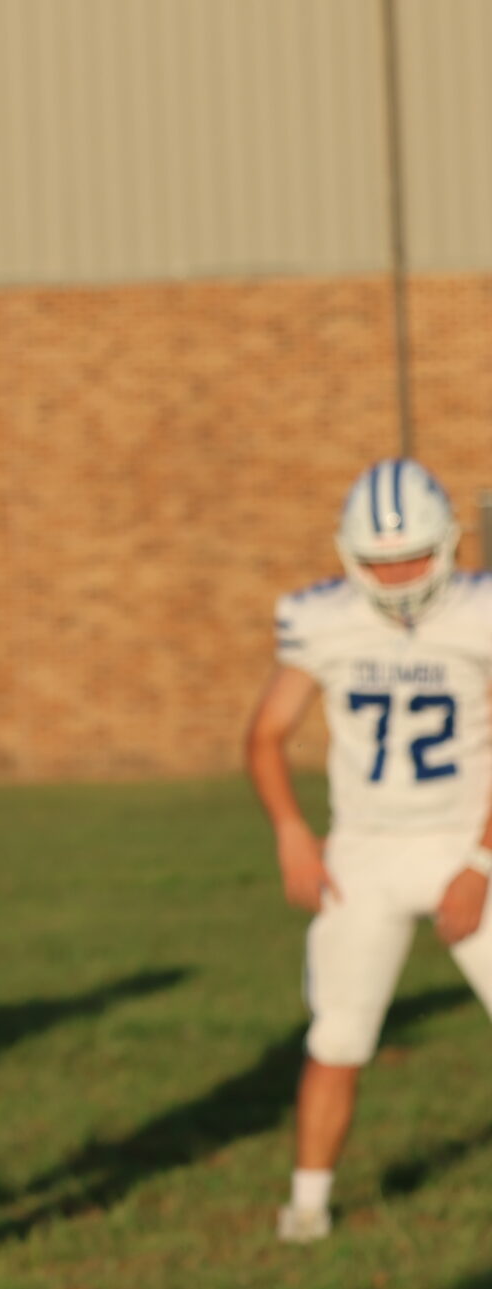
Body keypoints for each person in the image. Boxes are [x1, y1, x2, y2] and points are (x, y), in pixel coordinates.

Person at [244, 456, 492, 1243]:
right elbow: (267, 733)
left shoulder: (480, 612)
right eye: (381, 561)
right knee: (338, 1037)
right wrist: (292, 832)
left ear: (447, 544)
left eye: (413, 557)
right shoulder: (323, 619)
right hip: (365, 848)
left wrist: (481, 864)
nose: (398, 577)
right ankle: (307, 1208)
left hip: (464, 838)